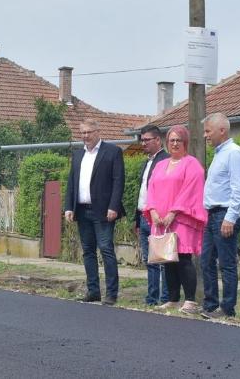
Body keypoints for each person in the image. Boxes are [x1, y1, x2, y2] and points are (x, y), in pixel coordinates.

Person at [144, 125, 207, 314]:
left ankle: (190, 301)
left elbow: (191, 191)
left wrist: (173, 212)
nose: (174, 143)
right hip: (161, 220)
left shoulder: (192, 164)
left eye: (178, 140)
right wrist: (153, 211)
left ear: (185, 142)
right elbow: (151, 189)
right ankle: (172, 298)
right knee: (167, 259)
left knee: (183, 258)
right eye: (171, 140)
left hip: (181, 219)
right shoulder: (161, 165)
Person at [64, 118, 125, 305]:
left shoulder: (112, 152)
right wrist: (68, 207)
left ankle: (112, 293)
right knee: (88, 251)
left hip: (103, 211)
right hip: (82, 210)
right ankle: (93, 291)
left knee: (106, 249)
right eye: (82, 132)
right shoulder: (77, 155)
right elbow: (71, 183)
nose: (85, 136)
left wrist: (113, 206)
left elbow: (118, 181)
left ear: (98, 132)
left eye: (89, 132)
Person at [201, 113, 240, 319]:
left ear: (222, 130)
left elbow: (239, 189)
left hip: (225, 214)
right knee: (206, 260)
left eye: (208, 131)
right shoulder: (219, 153)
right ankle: (211, 305)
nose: (205, 136)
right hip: (212, 214)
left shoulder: (234, 153)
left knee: (226, 263)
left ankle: (227, 308)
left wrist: (231, 217)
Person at [134, 125, 170, 306]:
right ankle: (152, 298)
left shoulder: (166, 161)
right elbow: (142, 193)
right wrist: (137, 219)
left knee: (162, 260)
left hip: (159, 219)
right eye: (142, 139)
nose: (143, 143)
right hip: (144, 216)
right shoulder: (147, 162)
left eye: (147, 140)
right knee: (150, 261)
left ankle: (164, 298)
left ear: (158, 140)